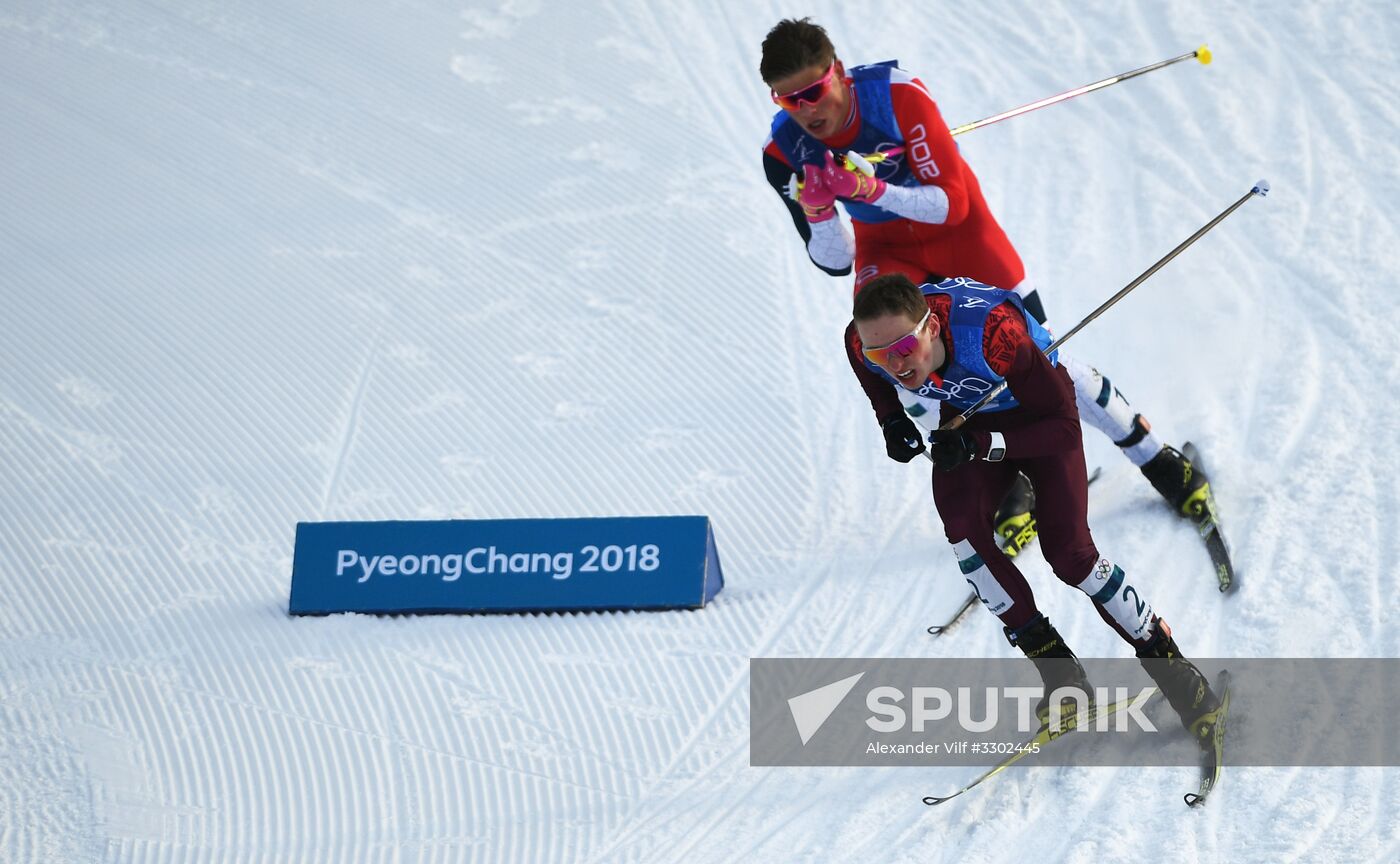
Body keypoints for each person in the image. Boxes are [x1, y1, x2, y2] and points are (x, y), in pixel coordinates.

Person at [758, 18, 1211, 550]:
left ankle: (1157, 461)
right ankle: (1017, 479)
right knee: (913, 370)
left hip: (963, 237)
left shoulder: (897, 97)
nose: (809, 109)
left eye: (815, 90)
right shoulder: (783, 151)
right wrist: (817, 212)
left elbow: (952, 207)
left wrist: (867, 187)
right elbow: (834, 261)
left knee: (1048, 368)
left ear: (838, 72)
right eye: (790, 100)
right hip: (886, 251)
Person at [851, 272, 1223, 740]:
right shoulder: (866, 338)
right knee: (963, 532)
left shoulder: (995, 337)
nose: (894, 366)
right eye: (879, 355)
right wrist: (889, 418)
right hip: (970, 421)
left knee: (1070, 556)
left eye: (903, 350)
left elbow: (1064, 429)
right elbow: (859, 356)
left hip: (1040, 420)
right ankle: (1060, 674)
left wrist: (981, 444)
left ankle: (1171, 665)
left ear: (929, 327)